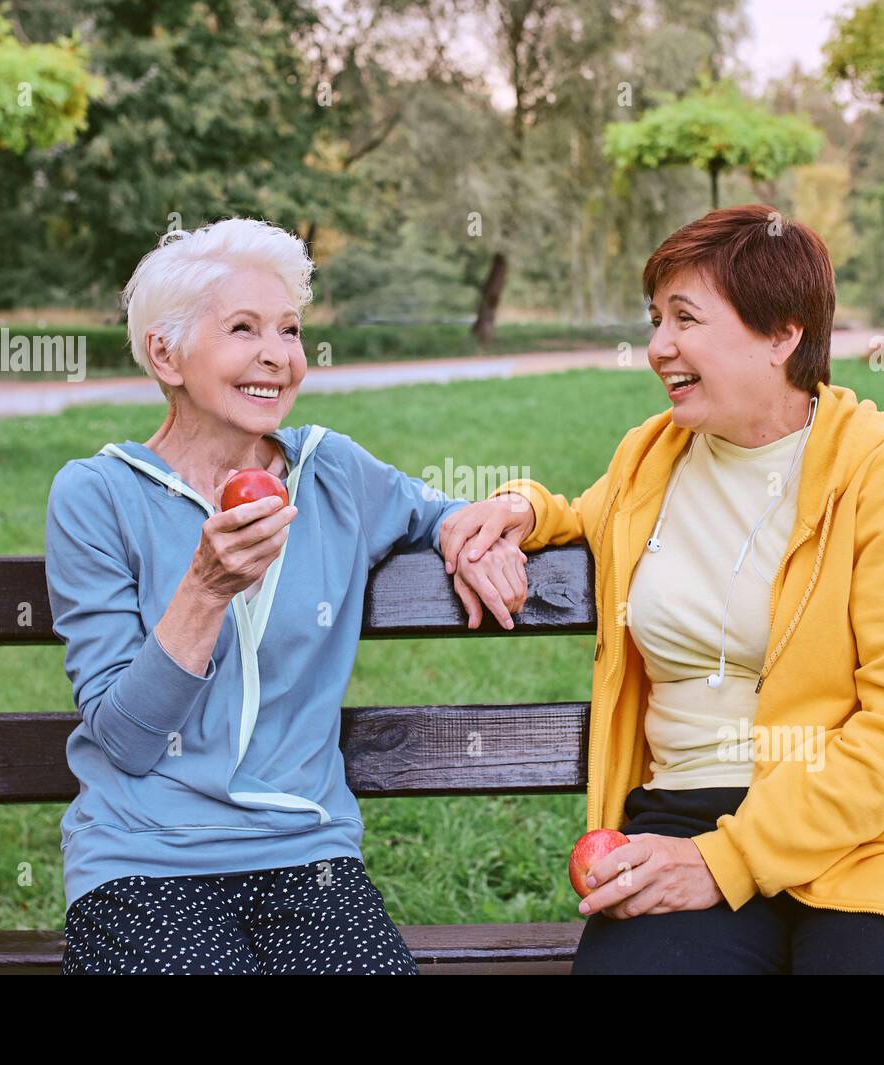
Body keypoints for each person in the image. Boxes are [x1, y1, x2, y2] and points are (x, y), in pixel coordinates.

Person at [440, 204, 884, 974]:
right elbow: (587, 512)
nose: (657, 347)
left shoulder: (883, 472)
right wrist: (516, 504)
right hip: (685, 818)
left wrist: (730, 859)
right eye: (655, 318)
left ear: (783, 333)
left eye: (685, 318)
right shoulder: (652, 456)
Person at [46, 217, 527, 974]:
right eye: (243, 329)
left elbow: (443, 512)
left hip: (308, 855)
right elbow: (127, 741)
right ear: (164, 353)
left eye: (290, 329)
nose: (278, 355)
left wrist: (487, 531)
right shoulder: (97, 495)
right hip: (146, 855)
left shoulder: (333, 472)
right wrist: (205, 588)